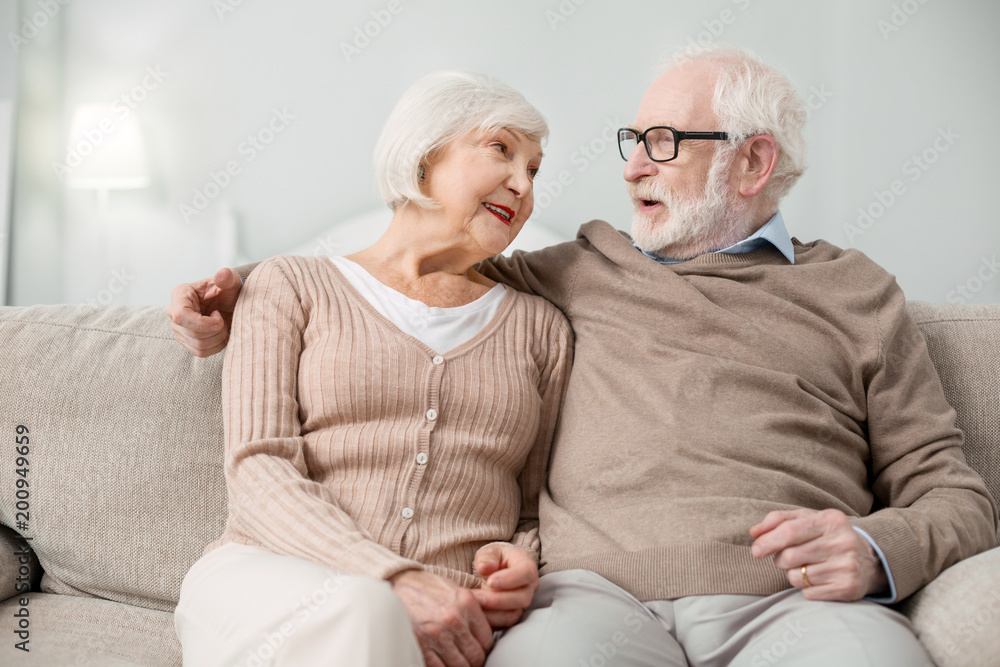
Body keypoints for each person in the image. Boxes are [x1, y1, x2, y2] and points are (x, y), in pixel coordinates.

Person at [170, 45, 998, 666]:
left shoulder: (857, 292)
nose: (633, 163)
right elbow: (417, 268)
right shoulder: (583, 264)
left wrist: (880, 548)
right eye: (631, 138)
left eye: (665, 141)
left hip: (790, 603)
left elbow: (952, 491)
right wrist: (238, 294)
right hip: (593, 601)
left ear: (754, 161)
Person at [169, 70, 573, 667]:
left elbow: (535, 505)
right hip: (270, 575)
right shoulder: (289, 286)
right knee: (364, 613)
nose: (522, 183)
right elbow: (259, 469)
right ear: (424, 154)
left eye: (534, 170)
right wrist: (394, 579)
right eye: (501, 150)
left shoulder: (541, 329)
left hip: (450, 610)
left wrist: (520, 559)